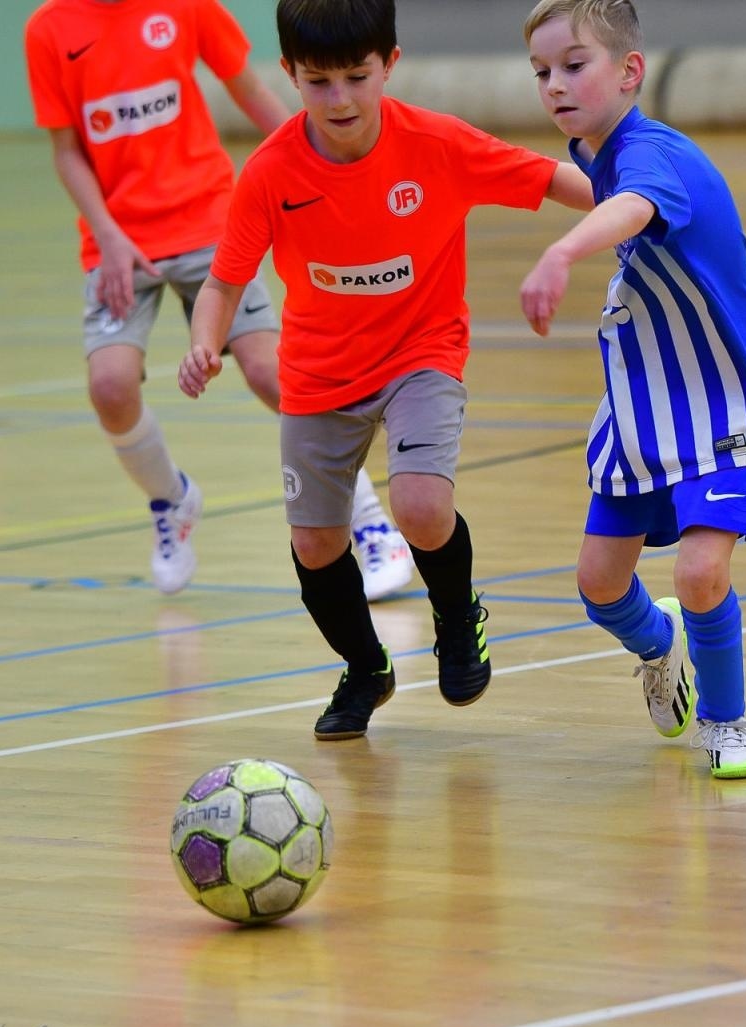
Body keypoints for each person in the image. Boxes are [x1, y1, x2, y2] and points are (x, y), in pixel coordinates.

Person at [178, 0, 594, 739]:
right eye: (318, 81)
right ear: (290, 76)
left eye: (356, 77)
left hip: (421, 353)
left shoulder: (436, 144)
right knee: (316, 545)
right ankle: (367, 668)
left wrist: (643, 206)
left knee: (421, 507)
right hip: (316, 372)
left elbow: (551, 178)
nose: (339, 99)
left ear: (390, 64)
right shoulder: (271, 171)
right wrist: (205, 343)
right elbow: (224, 280)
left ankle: (457, 617)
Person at [24, 0, 412, 601]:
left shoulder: (186, 6)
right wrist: (105, 231)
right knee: (110, 386)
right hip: (117, 238)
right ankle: (172, 501)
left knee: (271, 372)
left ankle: (369, 521)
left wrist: (316, 162)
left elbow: (250, 88)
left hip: (207, 219)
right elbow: (67, 147)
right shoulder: (48, 29)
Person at [520, 0, 746, 779]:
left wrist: (562, 253)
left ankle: (727, 723)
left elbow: (632, 206)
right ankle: (658, 645)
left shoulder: (648, 154)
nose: (555, 84)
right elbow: (595, 188)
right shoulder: (595, 148)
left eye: (574, 65)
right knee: (599, 585)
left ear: (630, 72)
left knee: (701, 572)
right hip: (645, 400)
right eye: (542, 71)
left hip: (726, 395)